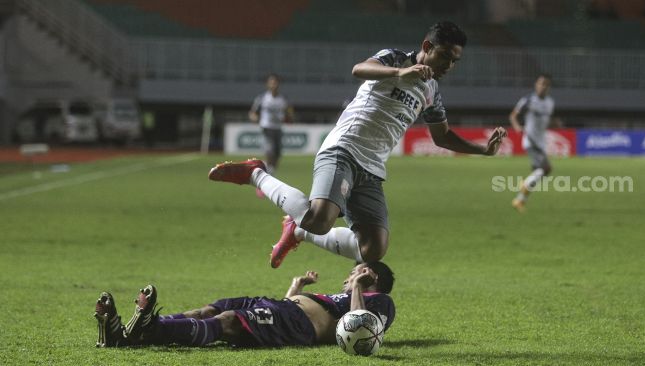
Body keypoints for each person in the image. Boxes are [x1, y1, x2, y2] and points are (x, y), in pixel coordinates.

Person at [209, 21, 507, 268]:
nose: (449, 65)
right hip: (344, 148)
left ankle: (298, 231)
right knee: (320, 219)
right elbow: (359, 69)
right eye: (445, 56)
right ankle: (254, 174)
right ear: (427, 47)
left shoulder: (431, 90)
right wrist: (400, 72)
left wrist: (483, 149)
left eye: (455, 60)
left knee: (373, 248)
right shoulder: (395, 59)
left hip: (373, 168)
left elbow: (441, 136)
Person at [94, 262, 395, 348]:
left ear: (374, 277)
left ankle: (147, 329)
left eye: (358, 270)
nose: (351, 274)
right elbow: (297, 303)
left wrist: (358, 286)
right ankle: (130, 332)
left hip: (296, 324)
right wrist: (297, 287)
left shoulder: (380, 301)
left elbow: (360, 329)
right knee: (208, 310)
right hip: (281, 307)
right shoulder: (343, 296)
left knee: (228, 320)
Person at [509, 74, 561, 213]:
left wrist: (554, 123)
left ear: (549, 87)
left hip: (541, 141)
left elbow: (546, 120)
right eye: (540, 83)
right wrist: (517, 126)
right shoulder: (528, 100)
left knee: (539, 172)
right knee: (546, 169)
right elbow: (513, 115)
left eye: (545, 84)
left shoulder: (550, 102)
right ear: (536, 85)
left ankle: (520, 199)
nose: (542, 87)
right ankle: (523, 189)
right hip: (531, 140)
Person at [249, 73, 294, 176]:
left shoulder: (283, 99)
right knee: (270, 151)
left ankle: (269, 171)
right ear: (267, 84)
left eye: (276, 83)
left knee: (277, 154)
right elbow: (253, 113)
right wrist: (255, 118)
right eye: (271, 83)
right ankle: (266, 174)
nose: (274, 85)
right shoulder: (262, 98)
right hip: (267, 127)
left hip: (278, 128)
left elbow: (289, 112)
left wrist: (289, 117)